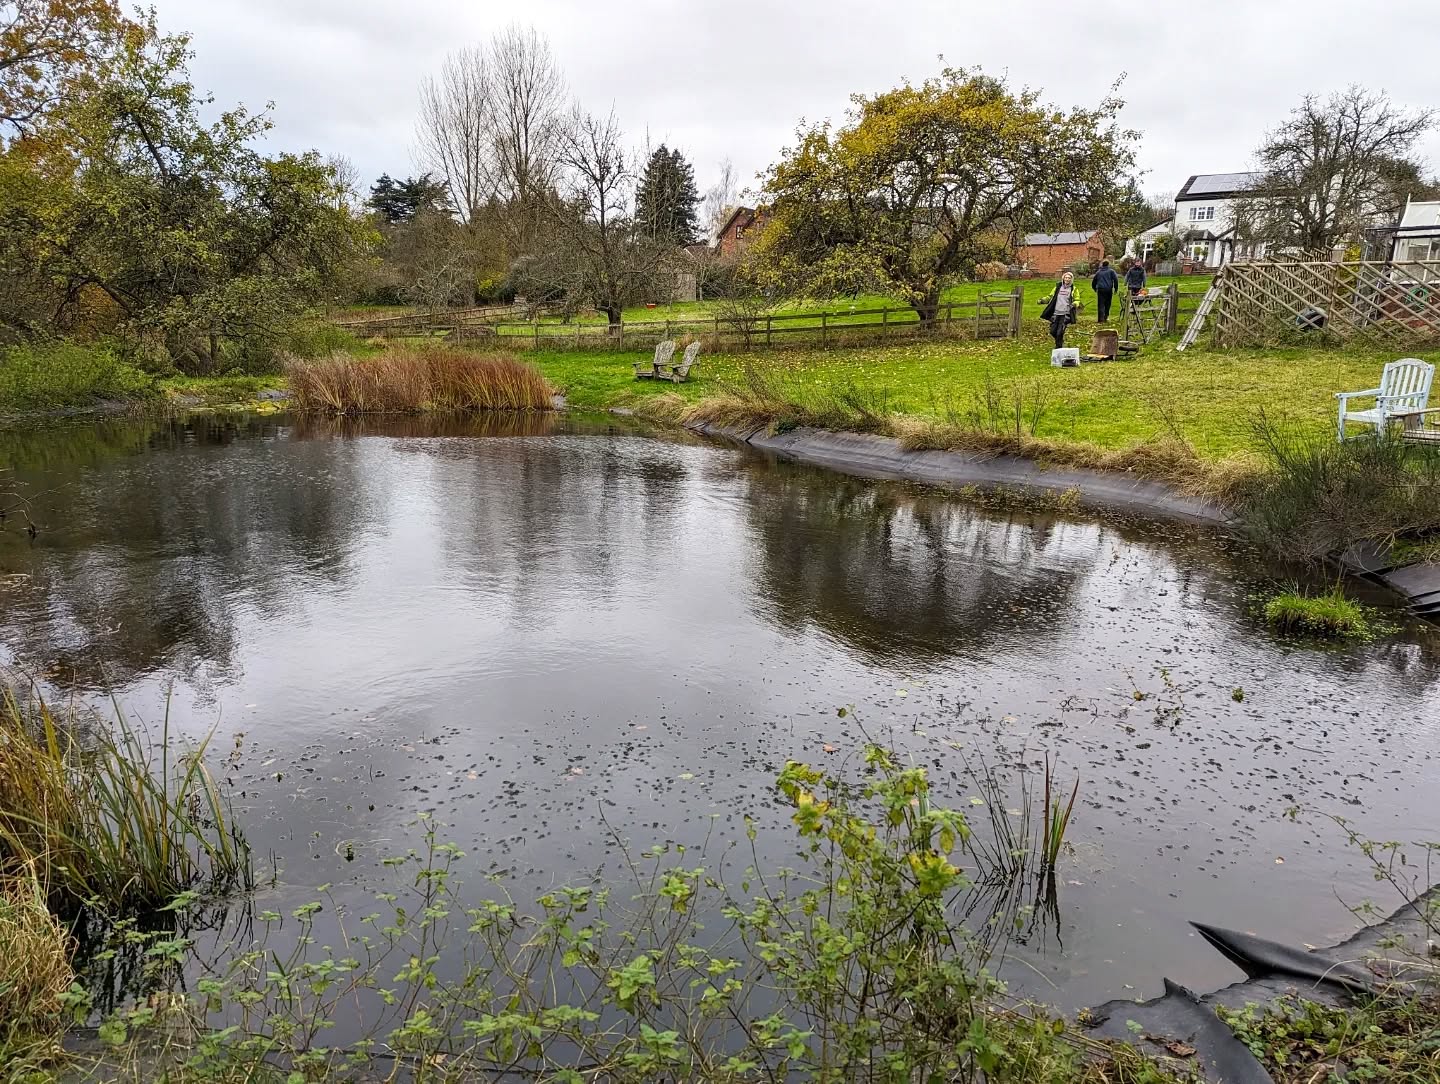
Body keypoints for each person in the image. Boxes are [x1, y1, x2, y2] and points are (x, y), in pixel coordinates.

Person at [1039, 271, 1081, 349]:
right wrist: (1042, 300)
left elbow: (1077, 299)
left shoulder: (1073, 289)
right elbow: (1050, 297)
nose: (1067, 279)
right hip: (1056, 313)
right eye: (1066, 277)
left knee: (1059, 332)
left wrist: (1075, 304)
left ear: (1071, 279)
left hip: (1065, 314)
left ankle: (1058, 347)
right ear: (1063, 278)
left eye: (1069, 278)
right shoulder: (1058, 287)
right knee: (1052, 331)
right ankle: (1060, 342)